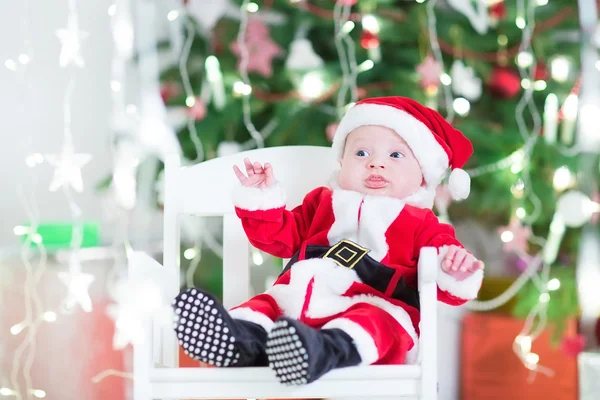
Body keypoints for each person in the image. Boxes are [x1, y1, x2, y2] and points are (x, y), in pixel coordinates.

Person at [172, 96, 484, 386]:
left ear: (423, 174)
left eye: (396, 155)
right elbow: (278, 238)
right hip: (295, 304)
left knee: (376, 322)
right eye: (361, 153)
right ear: (343, 163)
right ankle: (237, 340)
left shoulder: (423, 224)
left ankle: (319, 351)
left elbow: (446, 282)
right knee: (264, 306)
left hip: (374, 308)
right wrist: (261, 199)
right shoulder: (321, 203)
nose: (376, 163)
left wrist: (454, 269)